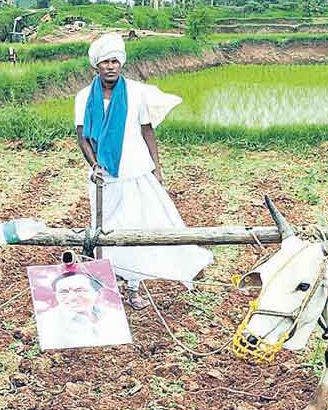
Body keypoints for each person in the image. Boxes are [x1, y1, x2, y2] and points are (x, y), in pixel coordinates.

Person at [74, 32, 212, 309]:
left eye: (115, 61)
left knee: (139, 230)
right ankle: (109, 288)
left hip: (136, 173)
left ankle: (135, 289)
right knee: (107, 234)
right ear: (96, 67)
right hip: (105, 180)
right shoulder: (84, 97)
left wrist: (157, 170)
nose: (111, 66)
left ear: (121, 63)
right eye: (105, 62)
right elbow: (82, 137)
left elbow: (147, 132)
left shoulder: (136, 93)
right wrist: (95, 165)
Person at [37, 270, 132, 349]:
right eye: (63, 292)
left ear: (97, 293)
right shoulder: (47, 322)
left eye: (79, 290)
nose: (71, 297)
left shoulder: (115, 316)